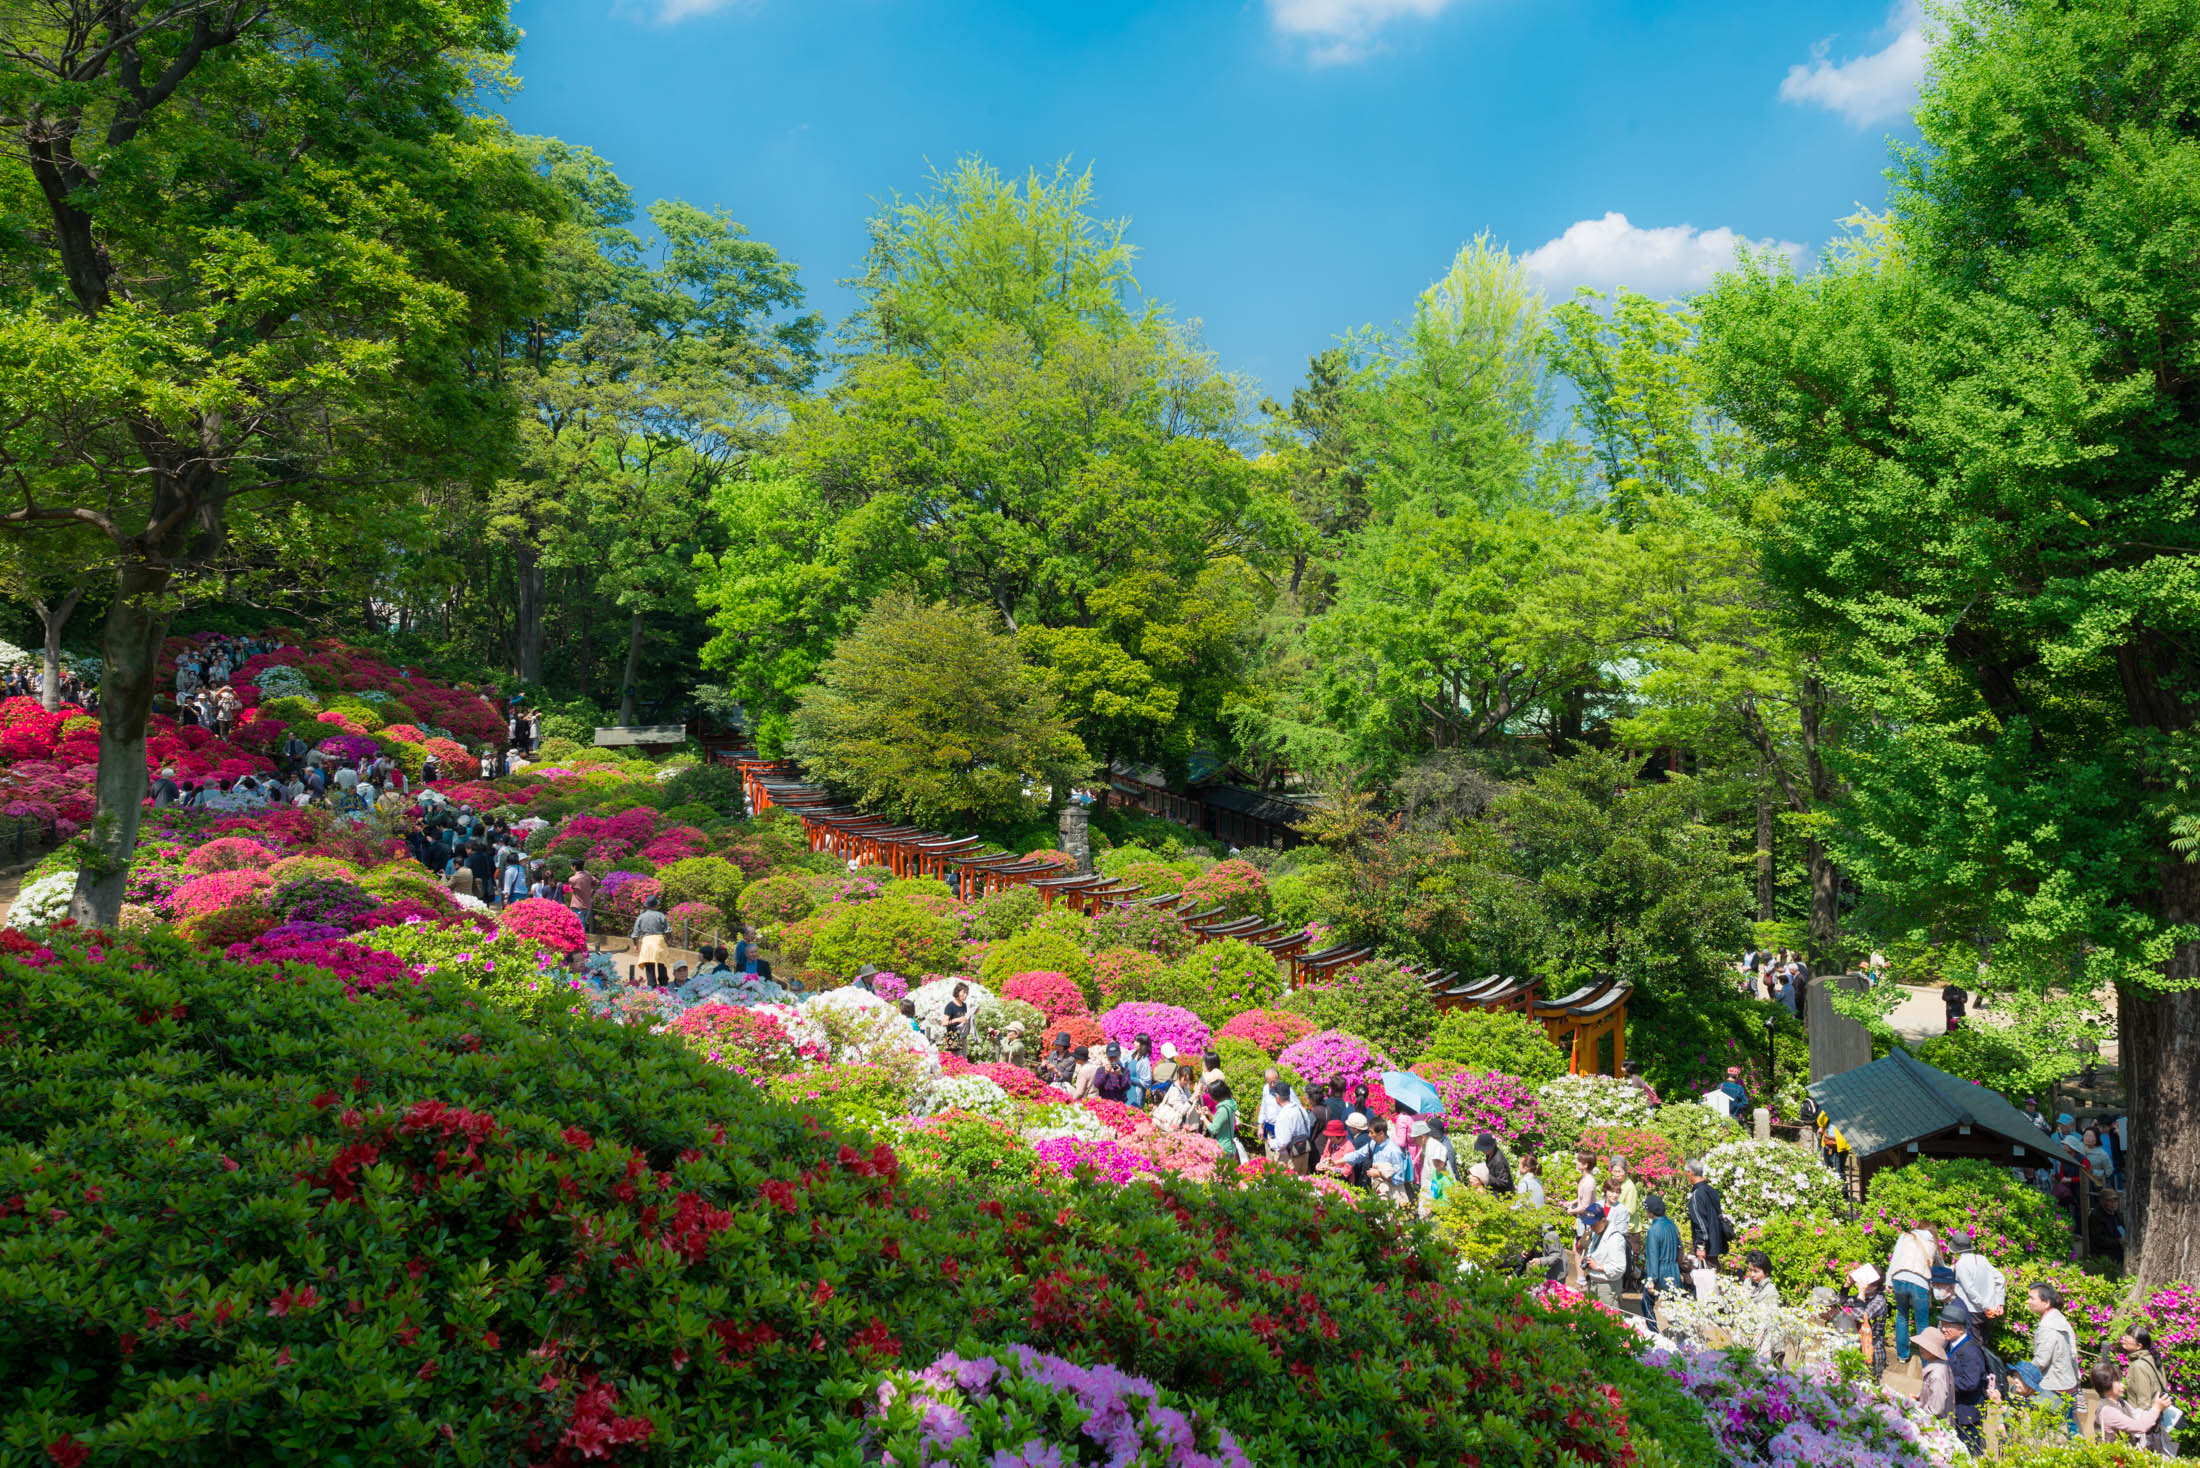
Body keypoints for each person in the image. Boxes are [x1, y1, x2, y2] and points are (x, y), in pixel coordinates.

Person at [2011, 1280, 2080, 1424]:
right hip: (2066, 1384)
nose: (2028, 1301)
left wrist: (2023, 1377)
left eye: (2032, 1298)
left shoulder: (2048, 1326)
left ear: (2046, 1303)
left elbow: (2041, 1360)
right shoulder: (2060, 1320)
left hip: (2052, 1387)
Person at [1887, 1223, 1938, 1362]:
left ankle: (1902, 1355)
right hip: (1920, 1282)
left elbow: (1895, 1259)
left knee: (1902, 1316)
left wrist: (1888, 1281)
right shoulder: (1933, 1243)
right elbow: (1939, 1265)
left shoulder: (1905, 1237)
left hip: (1899, 1278)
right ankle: (1926, 1361)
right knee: (1922, 1323)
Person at [2089, 1361, 2168, 1448]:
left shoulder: (2121, 1402)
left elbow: (2137, 1416)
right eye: (2118, 1382)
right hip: (2114, 1458)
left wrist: (2158, 1409)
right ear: (2107, 1384)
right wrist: (2157, 1408)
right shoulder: (2107, 1411)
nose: (2122, 1385)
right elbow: (2140, 1426)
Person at [1641, 1194, 1683, 1331]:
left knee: (1646, 1303)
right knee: (1674, 1307)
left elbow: (1653, 1256)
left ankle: (1654, 1332)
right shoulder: (1672, 1225)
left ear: (1651, 1212)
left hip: (1659, 1271)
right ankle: (1680, 1335)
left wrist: (1651, 1280)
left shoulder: (1653, 1230)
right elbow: (1680, 1248)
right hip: (1674, 1270)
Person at [1579, 1204, 1628, 1312]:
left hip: (1607, 1288)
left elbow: (1619, 1268)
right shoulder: (1597, 1232)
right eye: (1589, 1225)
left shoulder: (1615, 1238)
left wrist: (1599, 1267)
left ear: (1603, 1220)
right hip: (1593, 1284)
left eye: (1594, 1225)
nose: (1591, 1228)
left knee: (1608, 1323)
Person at [1685, 1160, 1729, 1261]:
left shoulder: (1697, 1195)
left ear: (1690, 1173)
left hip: (1706, 1250)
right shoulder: (1712, 1190)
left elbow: (1700, 1223)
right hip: (1716, 1244)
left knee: (1704, 1275)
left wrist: (1701, 1247)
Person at [1951, 1246, 2005, 1323]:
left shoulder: (1960, 1264)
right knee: (1984, 1334)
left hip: (1971, 1310)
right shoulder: (1982, 1259)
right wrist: (1999, 1303)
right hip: (1989, 1310)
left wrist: (1986, 1307)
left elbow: (1970, 1290)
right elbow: (2000, 1278)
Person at [1267, 1080, 1312, 1169]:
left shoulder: (1284, 1114)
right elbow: (1308, 1129)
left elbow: (1283, 1141)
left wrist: (1271, 1143)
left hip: (1290, 1157)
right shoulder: (1300, 1109)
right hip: (1304, 1152)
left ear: (1277, 1097)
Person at [630, 894, 672, 986]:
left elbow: (635, 934)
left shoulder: (641, 917)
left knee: (649, 965)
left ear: (646, 906)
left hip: (647, 941)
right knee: (662, 963)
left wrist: (635, 944)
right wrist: (668, 939)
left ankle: (652, 985)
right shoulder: (660, 915)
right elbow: (667, 930)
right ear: (656, 905)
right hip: (659, 941)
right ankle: (664, 984)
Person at [1915, 1326, 1953, 1421]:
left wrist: (1915, 1408)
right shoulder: (1938, 1365)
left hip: (1935, 1426)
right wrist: (1920, 1397)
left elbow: (1935, 1410)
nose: (1921, 1348)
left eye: (1925, 1346)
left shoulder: (1937, 1374)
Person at [1471, 1132, 1514, 1196]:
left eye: (1484, 1149)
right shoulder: (1489, 1154)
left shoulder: (1499, 1161)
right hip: (1493, 1190)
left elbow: (1504, 1182)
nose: (1482, 1151)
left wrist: (1487, 1177)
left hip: (1502, 1195)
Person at [1204, 1081, 1240, 1154]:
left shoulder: (1222, 1109)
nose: (1210, 1096)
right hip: (1228, 1145)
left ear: (1216, 1095)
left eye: (1210, 1094)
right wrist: (1209, 1114)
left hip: (1223, 1148)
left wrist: (1203, 1117)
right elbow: (1219, 1122)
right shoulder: (1229, 1104)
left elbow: (1214, 1129)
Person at [941, 982, 972, 1055]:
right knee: (955, 1061)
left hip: (962, 1036)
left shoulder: (964, 1005)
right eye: (964, 993)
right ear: (957, 992)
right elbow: (944, 1023)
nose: (966, 995)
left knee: (964, 1060)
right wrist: (957, 1020)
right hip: (952, 1036)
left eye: (967, 993)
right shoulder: (950, 1006)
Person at [1125, 1033, 1154, 1108]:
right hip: (1125, 1092)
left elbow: (1146, 1082)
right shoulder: (1131, 1054)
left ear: (1143, 1044)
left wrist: (1130, 1078)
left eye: (1137, 1041)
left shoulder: (1144, 1061)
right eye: (1134, 1040)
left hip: (1135, 1095)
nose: (1134, 1043)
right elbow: (1122, 1063)